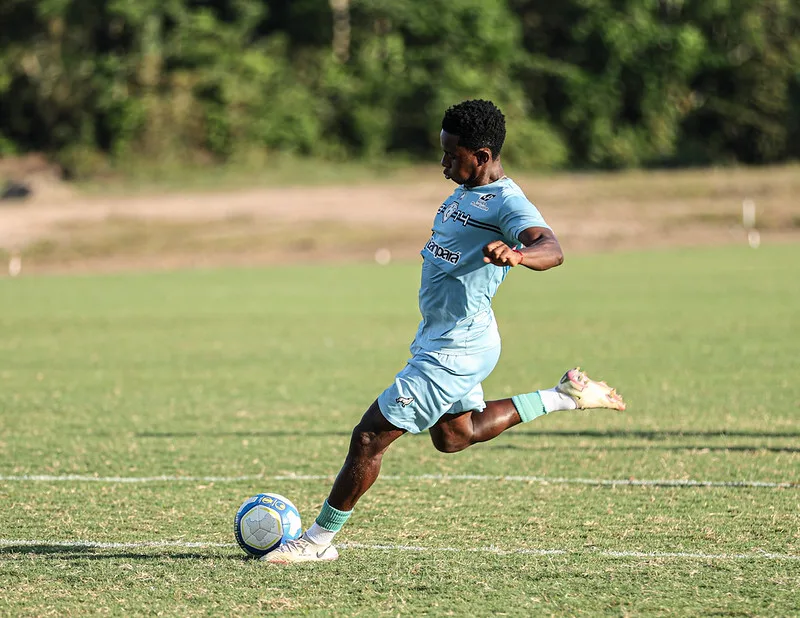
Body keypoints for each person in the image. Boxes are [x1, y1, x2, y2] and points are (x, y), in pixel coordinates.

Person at [262, 99, 625, 563]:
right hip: (449, 336)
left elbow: (551, 247)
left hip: (457, 348)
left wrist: (518, 256)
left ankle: (314, 543)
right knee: (456, 435)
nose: (443, 163)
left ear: (482, 154)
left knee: (370, 437)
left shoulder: (508, 201)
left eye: (452, 155)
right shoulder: (465, 191)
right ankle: (564, 396)